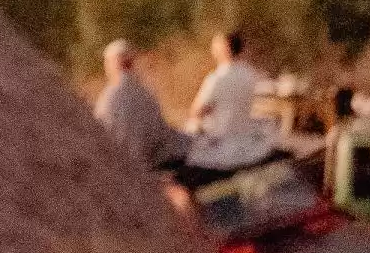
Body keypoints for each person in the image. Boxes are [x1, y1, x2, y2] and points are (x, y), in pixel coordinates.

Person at [182, 29, 277, 173]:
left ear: (224, 48)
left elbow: (196, 111)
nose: (212, 48)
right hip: (244, 143)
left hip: (221, 145)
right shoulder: (250, 74)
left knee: (189, 129)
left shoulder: (216, 79)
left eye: (215, 45)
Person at [93, 40, 189, 172]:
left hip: (135, 165)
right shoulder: (144, 91)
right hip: (160, 158)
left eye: (107, 62)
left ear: (114, 64)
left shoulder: (108, 98)